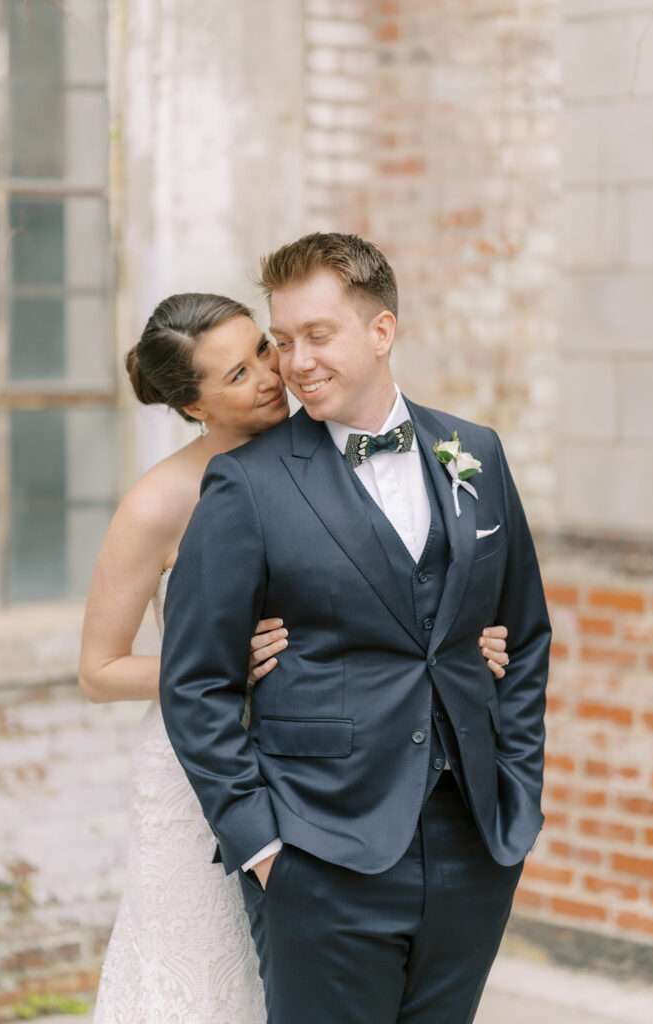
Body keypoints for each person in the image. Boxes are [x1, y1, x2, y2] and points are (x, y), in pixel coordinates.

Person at [79, 290, 512, 1022]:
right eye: (239, 375)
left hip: (338, 786)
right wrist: (214, 662)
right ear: (193, 407)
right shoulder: (157, 504)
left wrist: (463, 645)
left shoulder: (336, 446)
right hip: (211, 770)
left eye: (262, 348)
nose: (272, 374)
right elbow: (97, 670)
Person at [160, 233, 552, 1024]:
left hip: (472, 841)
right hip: (319, 850)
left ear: (381, 332)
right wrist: (265, 849)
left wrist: (516, 788)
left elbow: (526, 634)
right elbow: (194, 680)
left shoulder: (474, 451)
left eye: (318, 335)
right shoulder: (247, 483)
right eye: (282, 340)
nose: (294, 362)